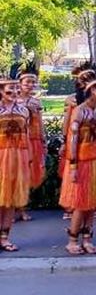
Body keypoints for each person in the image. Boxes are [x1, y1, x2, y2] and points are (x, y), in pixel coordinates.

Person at [59, 70, 96, 255]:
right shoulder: (79, 112)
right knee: (81, 203)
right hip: (83, 162)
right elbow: (73, 139)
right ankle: (72, 240)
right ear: (90, 91)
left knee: (93, 202)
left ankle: (87, 238)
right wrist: (72, 166)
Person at [0, 65, 30, 251]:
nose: (15, 92)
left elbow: (25, 136)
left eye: (17, 88)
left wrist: (28, 158)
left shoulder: (24, 111)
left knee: (10, 197)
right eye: (10, 89)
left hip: (18, 156)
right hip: (1, 154)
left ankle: (5, 236)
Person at [17, 62, 46, 222]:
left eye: (33, 82)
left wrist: (43, 141)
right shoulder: (12, 102)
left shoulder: (36, 102)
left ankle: (22, 208)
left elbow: (40, 124)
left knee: (28, 176)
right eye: (27, 81)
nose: (31, 85)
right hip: (17, 142)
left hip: (33, 141)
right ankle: (12, 207)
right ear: (20, 83)